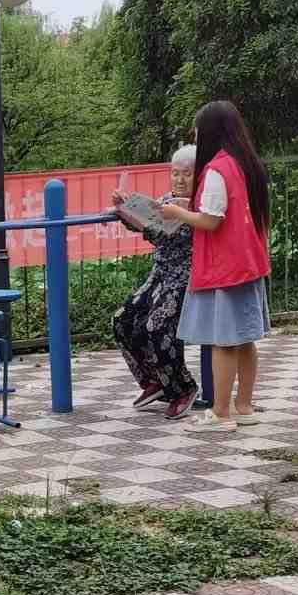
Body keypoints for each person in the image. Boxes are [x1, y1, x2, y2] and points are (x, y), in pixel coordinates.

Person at [159, 100, 273, 432]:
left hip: (224, 268)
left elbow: (210, 220)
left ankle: (220, 413)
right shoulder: (245, 165)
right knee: (245, 339)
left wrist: (176, 212)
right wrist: (187, 206)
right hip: (248, 264)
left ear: (210, 130)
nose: (195, 136)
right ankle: (244, 406)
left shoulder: (215, 169)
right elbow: (230, 210)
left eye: (197, 130)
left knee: (222, 341)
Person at [111, 145, 199, 421]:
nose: (179, 179)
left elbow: (165, 234)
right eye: (175, 173)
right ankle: (154, 381)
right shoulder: (167, 200)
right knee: (122, 320)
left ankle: (183, 388)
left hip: (184, 279)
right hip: (159, 275)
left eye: (187, 174)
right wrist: (125, 208)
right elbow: (146, 221)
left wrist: (142, 222)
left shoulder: (198, 207)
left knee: (157, 326)